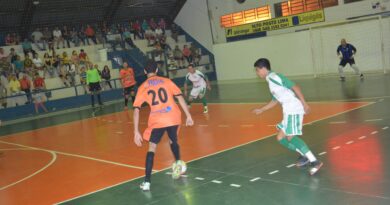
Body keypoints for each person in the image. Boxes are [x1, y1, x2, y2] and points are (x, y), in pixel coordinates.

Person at [252, 58, 323, 175]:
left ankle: (314, 161)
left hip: (293, 108)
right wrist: (261, 109)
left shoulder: (274, 77)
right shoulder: (270, 80)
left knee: (290, 137)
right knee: (280, 138)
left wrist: (304, 103)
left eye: (257, 70)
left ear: (263, 69)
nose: (257, 73)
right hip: (287, 110)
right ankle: (304, 156)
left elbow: (295, 87)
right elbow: (275, 100)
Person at [133, 61, 194, 191]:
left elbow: (136, 110)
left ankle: (147, 182)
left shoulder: (142, 87)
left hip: (157, 120)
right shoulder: (167, 81)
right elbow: (180, 97)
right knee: (173, 140)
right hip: (173, 116)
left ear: (145, 72)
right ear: (156, 70)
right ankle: (178, 163)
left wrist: (136, 131)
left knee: (152, 147)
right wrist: (188, 115)